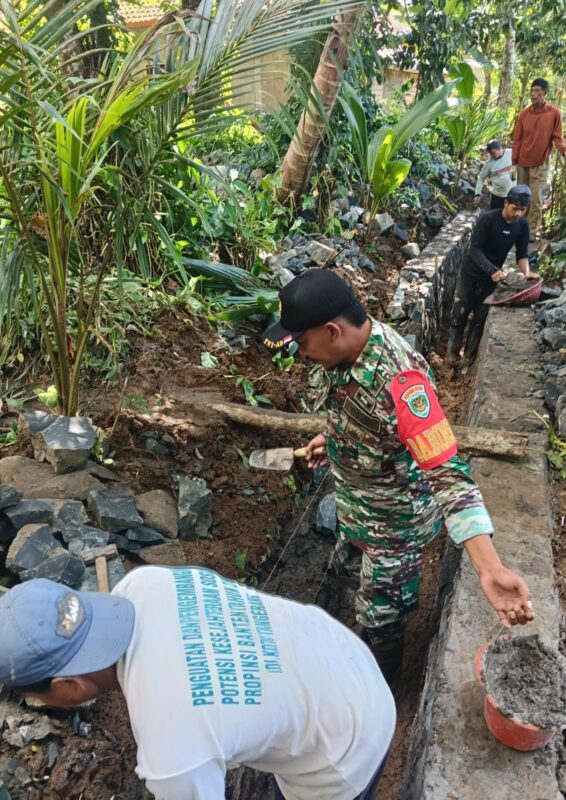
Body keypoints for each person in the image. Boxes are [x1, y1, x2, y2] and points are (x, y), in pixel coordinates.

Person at [262, 269, 534, 686]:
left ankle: (383, 685)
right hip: (358, 510)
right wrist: (333, 438)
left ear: (332, 330)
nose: (300, 353)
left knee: (384, 616)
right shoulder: (345, 353)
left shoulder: (402, 383)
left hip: (394, 529)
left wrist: (489, 568)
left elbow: (449, 476)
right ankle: (360, 639)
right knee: (352, 584)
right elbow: (361, 414)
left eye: (301, 342)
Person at [0, 567, 396, 800]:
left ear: (67, 686)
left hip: (349, 744)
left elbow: (182, 736)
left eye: (37, 696)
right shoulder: (142, 584)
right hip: (338, 650)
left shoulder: (172, 753)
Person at [447, 184, 538, 367]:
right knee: (459, 314)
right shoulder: (487, 219)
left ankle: (468, 358)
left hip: (490, 281)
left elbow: (521, 254)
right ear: (506, 203)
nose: (518, 214)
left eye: (522, 210)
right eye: (515, 209)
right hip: (470, 274)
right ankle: (451, 354)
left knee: (479, 319)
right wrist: (491, 269)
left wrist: (527, 272)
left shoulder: (522, 226)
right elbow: (475, 249)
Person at [512, 77, 566, 241]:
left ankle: (531, 231)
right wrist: (514, 163)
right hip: (523, 162)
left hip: (541, 162)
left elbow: (557, 137)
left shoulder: (554, 113)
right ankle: (519, 226)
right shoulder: (524, 114)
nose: (533, 94)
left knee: (535, 198)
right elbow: (517, 139)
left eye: (537, 91)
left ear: (545, 93)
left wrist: (565, 151)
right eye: (532, 91)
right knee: (521, 197)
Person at [474, 139, 514, 210]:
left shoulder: (511, 153)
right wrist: (477, 194)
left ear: (499, 148)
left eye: (493, 153)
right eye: (490, 153)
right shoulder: (489, 163)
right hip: (497, 197)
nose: (491, 155)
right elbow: (481, 179)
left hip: (512, 195)